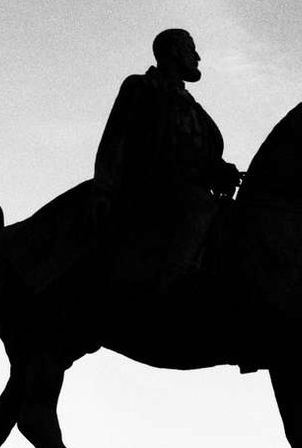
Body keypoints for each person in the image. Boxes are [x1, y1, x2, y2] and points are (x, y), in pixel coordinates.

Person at [93, 29, 240, 291]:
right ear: (174, 50)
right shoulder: (141, 87)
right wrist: (104, 190)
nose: (197, 57)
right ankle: (172, 281)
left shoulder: (193, 108)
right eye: (191, 48)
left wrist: (221, 170)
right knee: (200, 206)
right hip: (153, 189)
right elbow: (115, 140)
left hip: (190, 189)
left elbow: (199, 152)